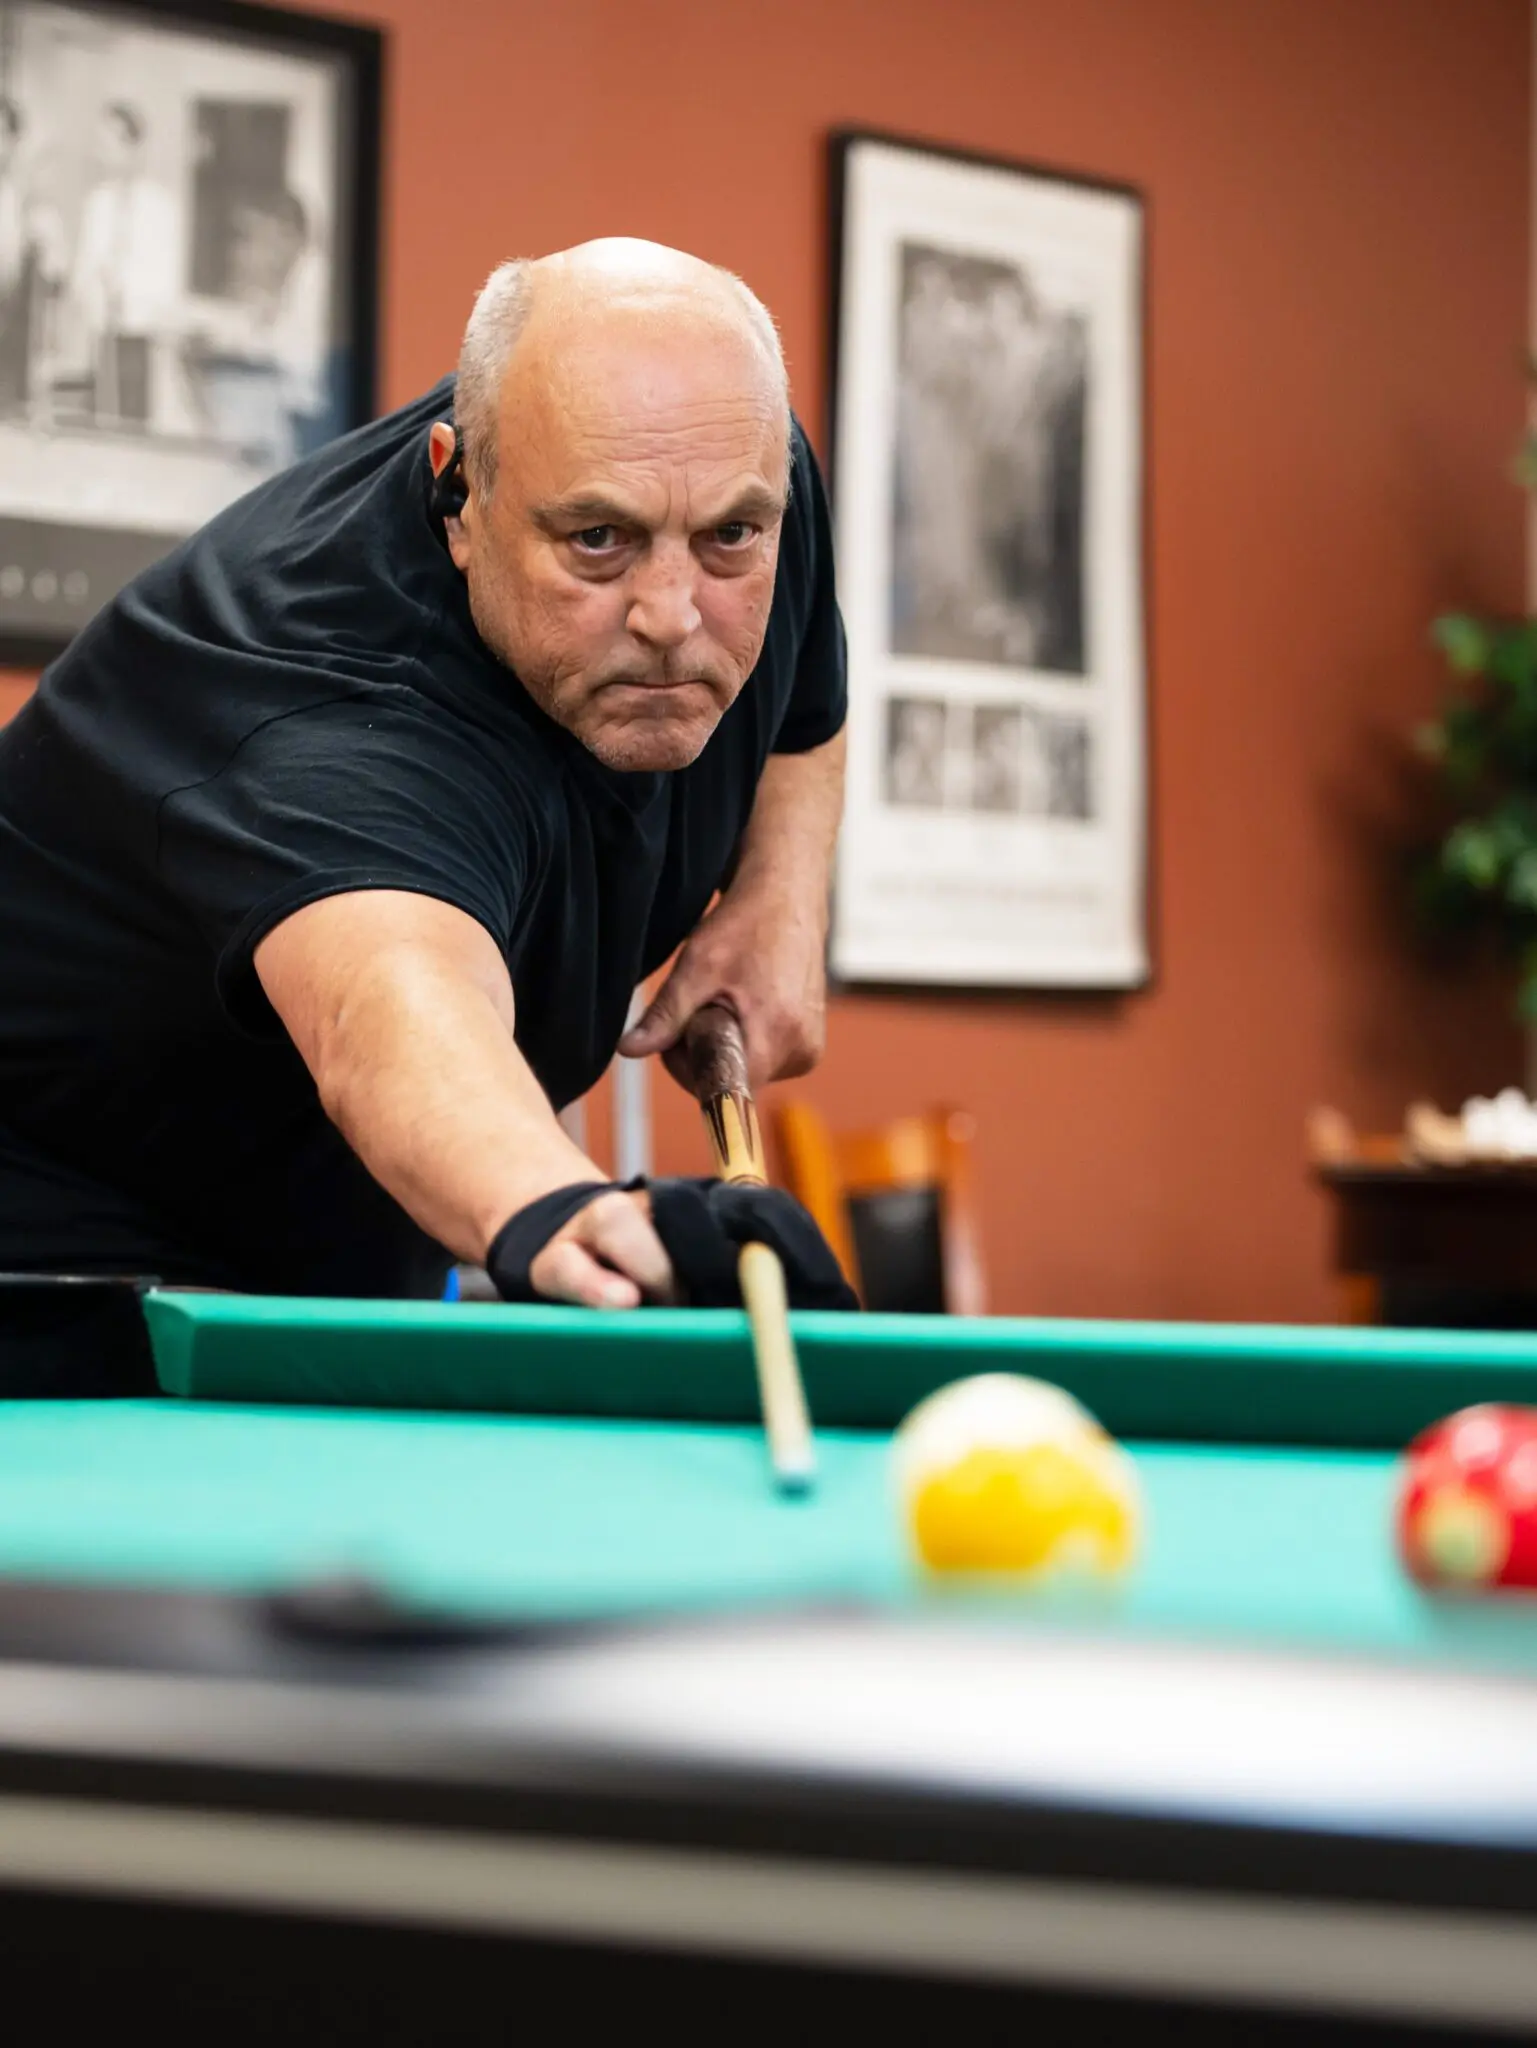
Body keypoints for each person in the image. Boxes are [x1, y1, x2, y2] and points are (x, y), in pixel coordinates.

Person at [0, 238, 853, 1338]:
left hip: (340, 1243)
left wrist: (779, 901)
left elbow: (805, 699)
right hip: (63, 1268)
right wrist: (566, 1211)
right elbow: (387, 1009)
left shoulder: (732, 460)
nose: (672, 614)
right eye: (598, 540)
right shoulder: (335, 705)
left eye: (729, 535)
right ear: (460, 493)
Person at [70, 101, 179, 428]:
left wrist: (126, 290)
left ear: (134, 147)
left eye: (110, 142)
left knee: (134, 428)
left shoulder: (161, 207)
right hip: (101, 337)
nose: (103, 152)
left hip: (141, 338)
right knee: (101, 426)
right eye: (100, 143)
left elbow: (166, 283)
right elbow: (80, 274)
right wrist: (94, 287)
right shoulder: (96, 204)